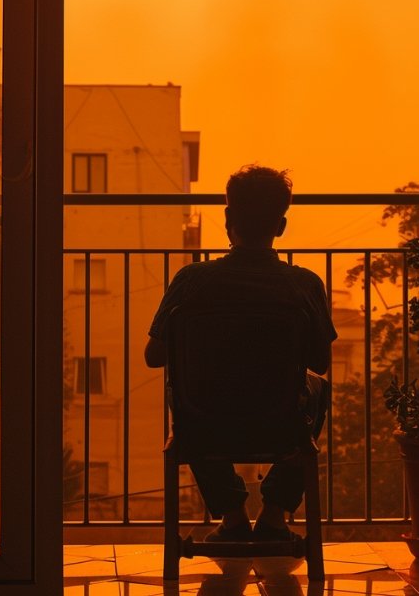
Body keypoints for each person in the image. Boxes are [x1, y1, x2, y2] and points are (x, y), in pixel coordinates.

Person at [144, 164, 338, 542]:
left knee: (178, 391)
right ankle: (275, 514)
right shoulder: (303, 286)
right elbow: (320, 363)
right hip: (279, 423)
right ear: (280, 226)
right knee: (319, 387)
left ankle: (232, 517)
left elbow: (154, 356)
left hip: (205, 425)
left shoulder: (192, 281)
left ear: (228, 217)